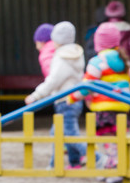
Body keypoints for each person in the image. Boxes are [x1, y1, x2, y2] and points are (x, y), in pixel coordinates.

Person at [26, 21, 87, 169]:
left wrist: (36, 95)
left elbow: (53, 80)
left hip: (64, 100)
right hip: (74, 99)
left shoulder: (61, 57)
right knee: (61, 131)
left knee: (68, 133)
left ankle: (95, 157)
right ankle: (73, 162)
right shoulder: (76, 53)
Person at [79, 21, 130, 183]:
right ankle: (110, 169)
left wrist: (74, 97)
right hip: (122, 107)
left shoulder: (97, 61)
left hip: (103, 108)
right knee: (117, 141)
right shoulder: (126, 61)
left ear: (98, 42)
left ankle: (114, 170)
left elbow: (86, 86)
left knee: (105, 141)